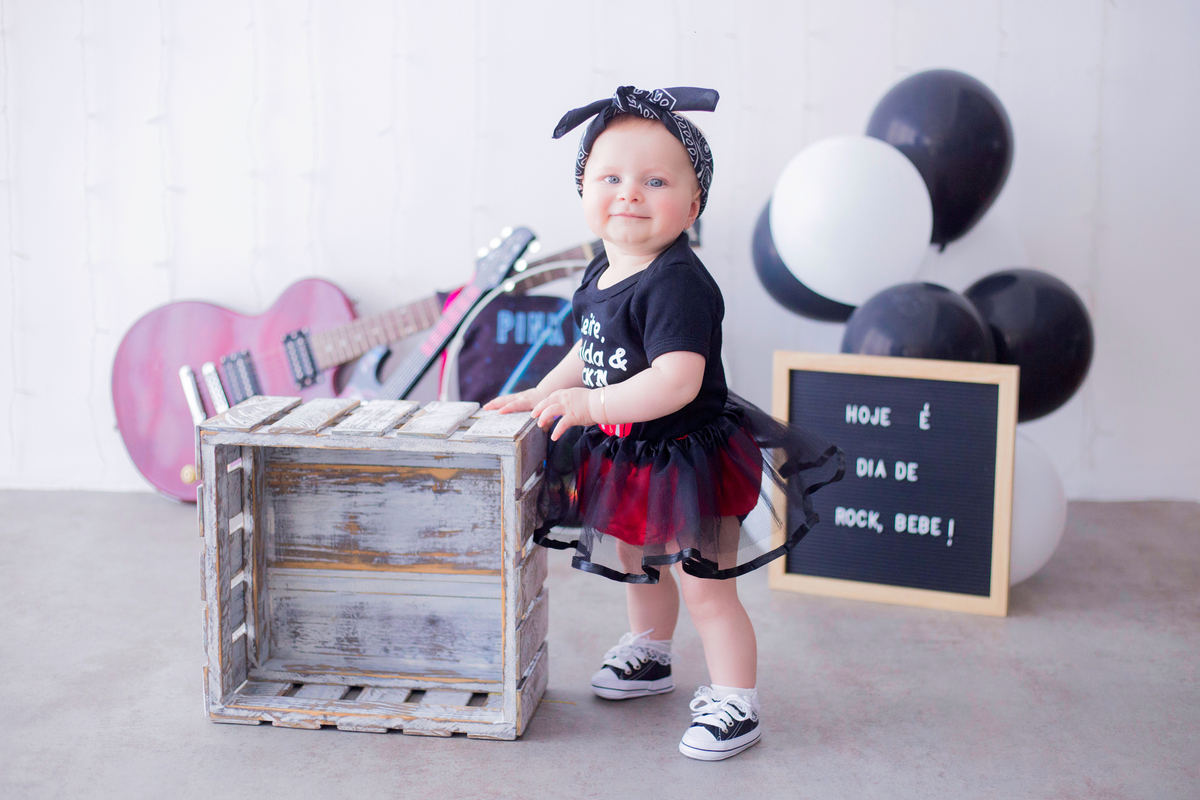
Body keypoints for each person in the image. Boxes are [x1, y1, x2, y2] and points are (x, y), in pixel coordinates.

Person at [484, 86, 843, 761]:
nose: (630, 194)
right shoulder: (601, 267)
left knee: (708, 588)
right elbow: (589, 351)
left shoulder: (677, 282)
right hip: (632, 457)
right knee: (639, 561)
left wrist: (591, 407)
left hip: (688, 458)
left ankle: (737, 698)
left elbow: (675, 380)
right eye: (610, 178)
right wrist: (544, 390)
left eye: (655, 181)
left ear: (693, 204)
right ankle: (651, 654)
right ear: (584, 189)